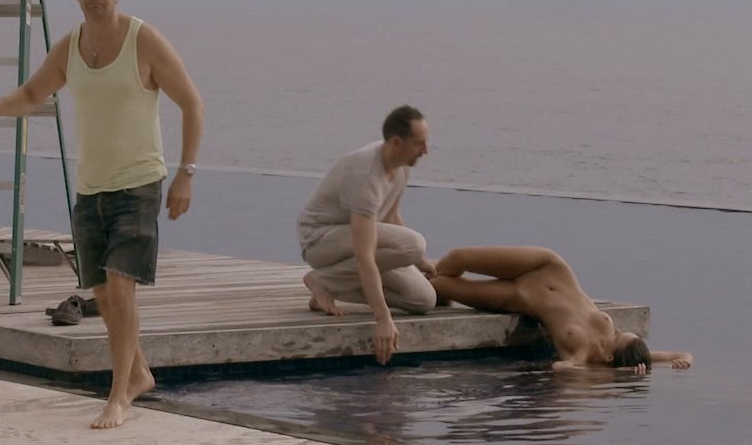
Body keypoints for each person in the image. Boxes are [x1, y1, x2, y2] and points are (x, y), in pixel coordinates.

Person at [0, 0, 205, 429]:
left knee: (121, 290)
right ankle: (139, 374)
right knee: (101, 293)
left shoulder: (144, 40)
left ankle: (118, 395)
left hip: (138, 185)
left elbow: (192, 102)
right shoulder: (70, 47)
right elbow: (32, 95)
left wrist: (187, 173)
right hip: (90, 190)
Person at [296, 105, 438, 364]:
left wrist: (421, 262)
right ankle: (325, 282)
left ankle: (324, 283)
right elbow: (365, 255)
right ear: (397, 142)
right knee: (413, 244)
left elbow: (390, 216)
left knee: (423, 300)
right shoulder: (364, 175)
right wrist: (382, 319)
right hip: (320, 240)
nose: (425, 150)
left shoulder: (402, 165)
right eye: (419, 143)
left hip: (352, 240)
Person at [427, 246, 694, 371]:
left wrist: (617, 377)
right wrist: (685, 360)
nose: (614, 332)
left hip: (519, 296)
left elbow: (560, 368)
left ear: (609, 357)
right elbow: (676, 354)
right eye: (618, 331)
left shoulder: (583, 356)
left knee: (440, 285)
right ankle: (413, 263)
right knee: (459, 257)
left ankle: (406, 270)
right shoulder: (612, 346)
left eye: (616, 338)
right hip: (547, 267)